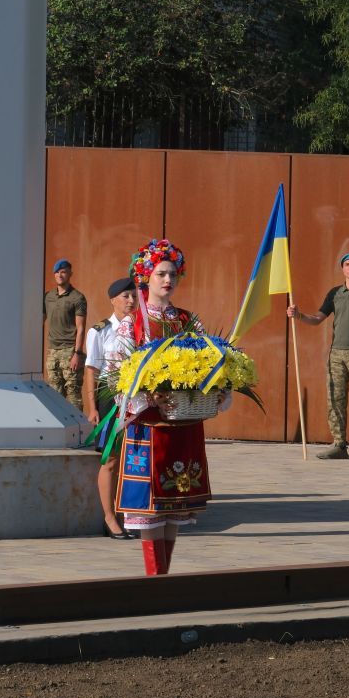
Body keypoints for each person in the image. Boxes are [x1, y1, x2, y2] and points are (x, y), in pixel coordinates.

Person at [113, 239, 216, 576]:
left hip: (182, 424)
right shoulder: (133, 323)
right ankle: (154, 577)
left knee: (174, 506)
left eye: (173, 274)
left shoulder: (187, 320)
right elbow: (117, 373)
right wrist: (147, 396)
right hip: (149, 425)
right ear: (147, 276)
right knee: (150, 508)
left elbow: (208, 361)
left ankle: (164, 577)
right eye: (161, 273)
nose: (168, 280)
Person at [287, 252, 349, 461]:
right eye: (347, 264)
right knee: (335, 399)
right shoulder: (335, 294)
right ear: (342, 268)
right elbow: (318, 318)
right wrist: (299, 315)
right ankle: (339, 445)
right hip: (336, 354)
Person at [83, 277, 138, 540]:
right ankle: (109, 517)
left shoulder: (141, 328)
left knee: (134, 458)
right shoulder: (100, 330)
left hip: (137, 398)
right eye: (126, 296)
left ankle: (131, 513)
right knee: (111, 458)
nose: (131, 301)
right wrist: (92, 407)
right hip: (110, 397)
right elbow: (92, 371)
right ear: (113, 299)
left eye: (134, 296)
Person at [42, 259, 87, 408]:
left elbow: (81, 328)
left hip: (70, 351)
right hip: (52, 350)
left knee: (73, 393)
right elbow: (39, 320)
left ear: (69, 274)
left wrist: (77, 353)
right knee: (55, 394)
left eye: (63, 272)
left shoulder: (77, 297)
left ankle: (79, 430)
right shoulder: (48, 297)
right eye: (57, 272)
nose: (59, 275)